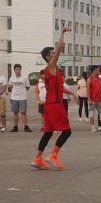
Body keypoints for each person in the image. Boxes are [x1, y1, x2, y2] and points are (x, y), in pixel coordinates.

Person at [30, 26, 73, 170]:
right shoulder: (51, 66)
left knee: (48, 132)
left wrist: (72, 93)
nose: (55, 54)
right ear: (48, 57)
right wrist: (62, 33)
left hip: (50, 104)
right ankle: (53, 155)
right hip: (55, 104)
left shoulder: (53, 70)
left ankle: (37, 158)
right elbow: (59, 48)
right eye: (53, 53)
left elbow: (59, 87)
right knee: (67, 131)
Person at [8, 63, 31, 132]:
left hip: (22, 98)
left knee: (23, 112)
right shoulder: (11, 78)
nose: (18, 71)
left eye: (19, 69)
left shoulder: (25, 78)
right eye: (16, 69)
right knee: (15, 113)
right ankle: (15, 127)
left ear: (21, 70)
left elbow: (28, 87)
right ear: (14, 70)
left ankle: (26, 127)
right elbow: (10, 87)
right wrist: (15, 91)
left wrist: (22, 91)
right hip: (14, 98)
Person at [87, 65, 101, 133]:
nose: (99, 71)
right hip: (92, 101)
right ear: (94, 71)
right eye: (98, 70)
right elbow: (87, 91)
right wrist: (89, 100)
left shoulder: (99, 79)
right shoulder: (89, 79)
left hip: (99, 100)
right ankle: (92, 127)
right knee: (91, 114)